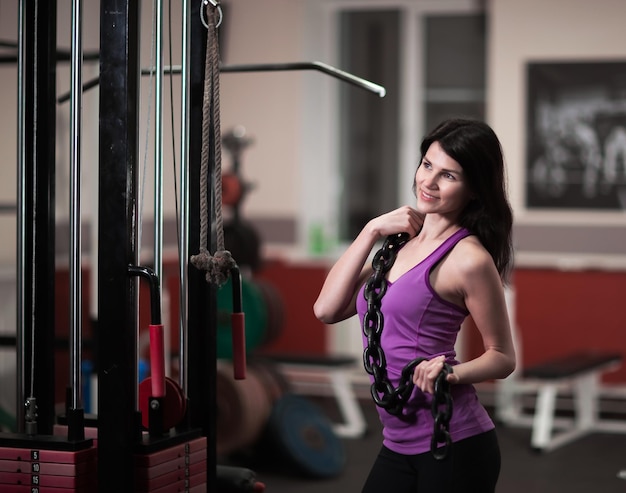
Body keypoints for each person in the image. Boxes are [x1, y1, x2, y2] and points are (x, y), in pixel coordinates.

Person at [313, 118, 516, 492]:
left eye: (449, 176)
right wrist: (371, 230)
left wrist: (451, 374)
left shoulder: (468, 259)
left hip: (454, 440)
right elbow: (326, 309)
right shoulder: (400, 244)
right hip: (397, 442)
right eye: (427, 165)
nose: (428, 182)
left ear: (474, 189)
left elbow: (503, 356)